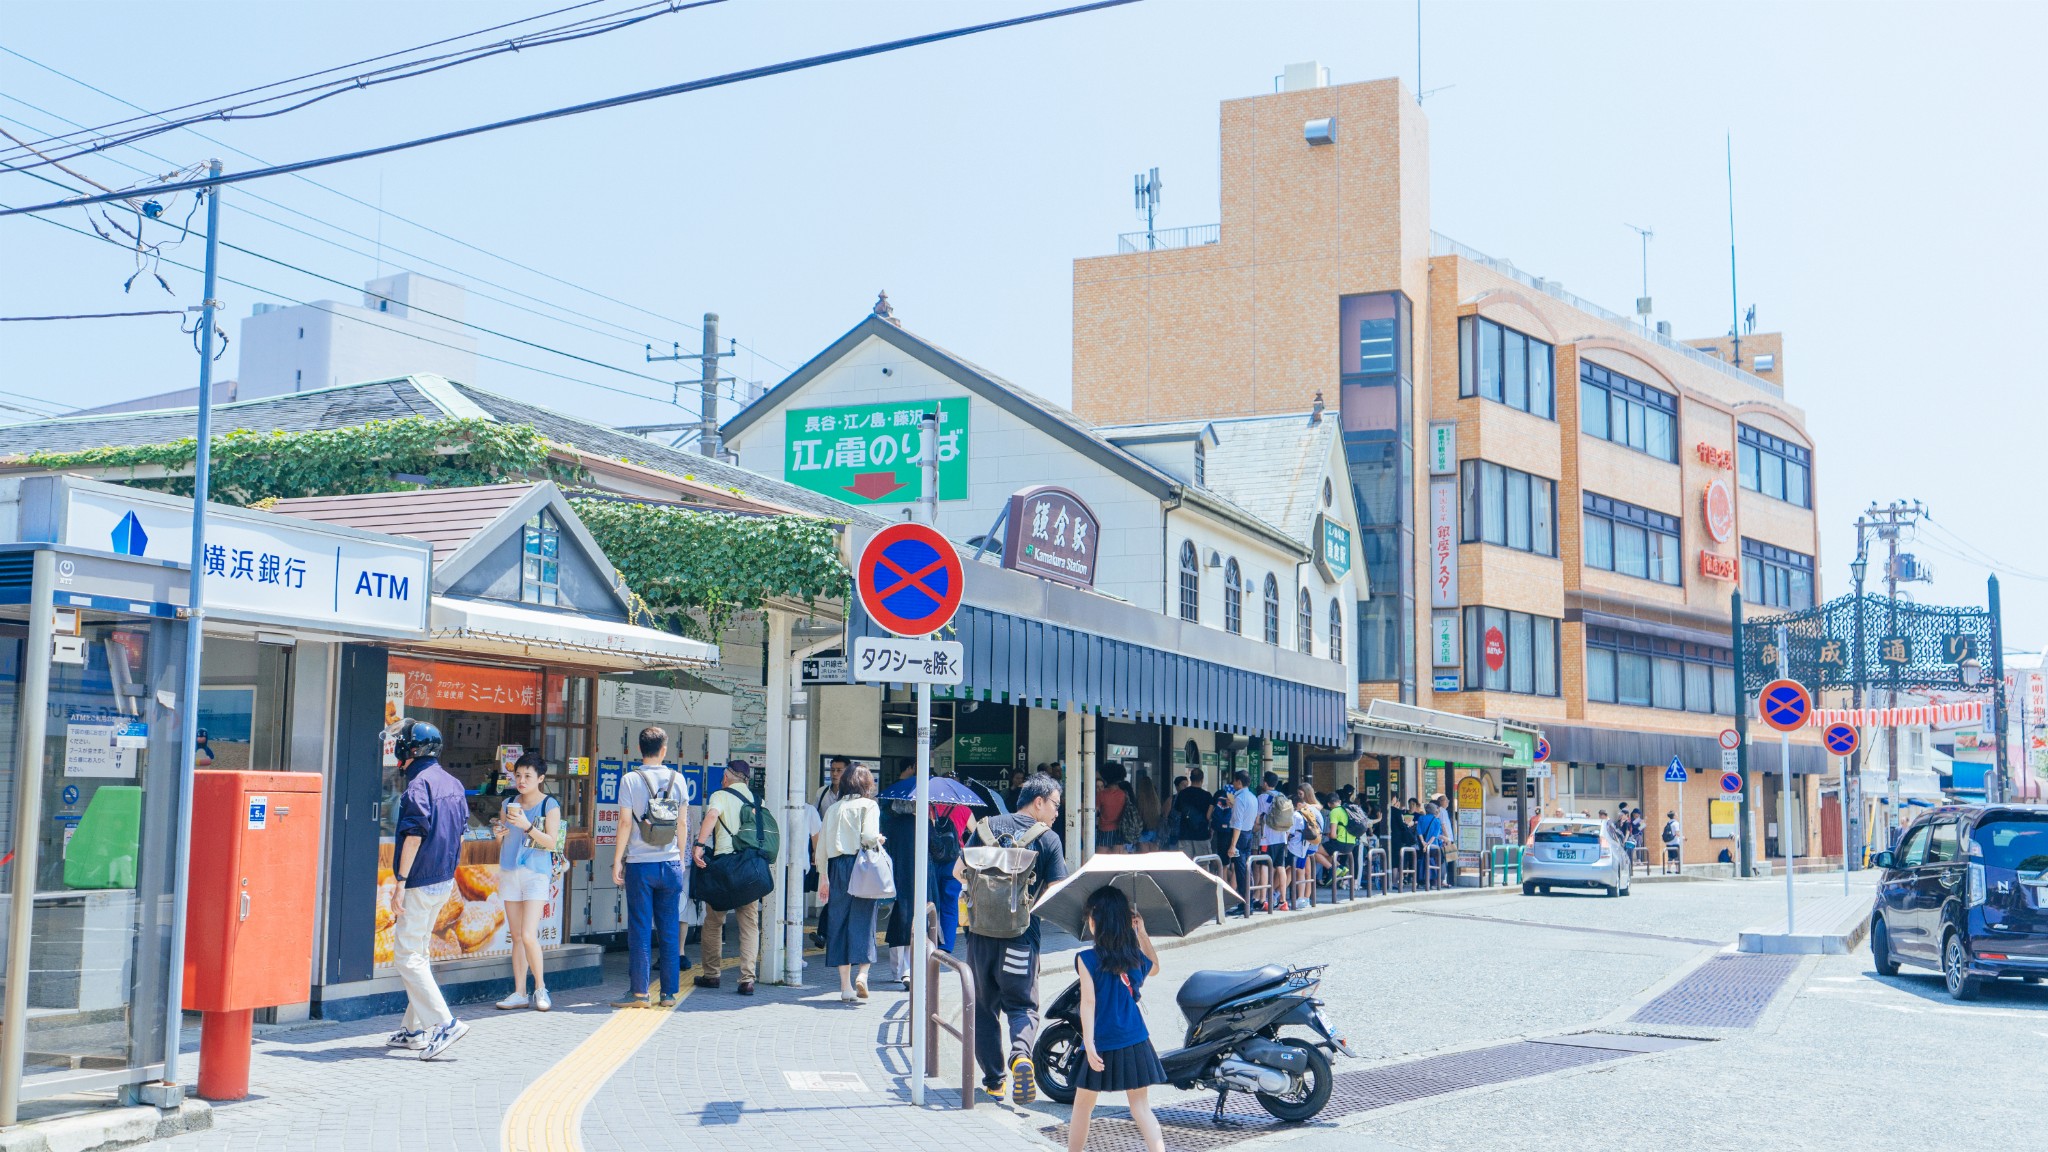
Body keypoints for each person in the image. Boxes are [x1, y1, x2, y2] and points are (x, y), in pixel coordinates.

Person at [957, 772, 1067, 1105]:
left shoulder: (985, 828)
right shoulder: (1047, 839)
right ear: (1039, 801)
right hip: (1021, 937)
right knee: (1022, 1005)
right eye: (1055, 805)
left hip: (979, 937)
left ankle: (994, 1082)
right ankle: (1021, 1056)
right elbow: (1056, 889)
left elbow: (958, 873)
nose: (1056, 813)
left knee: (984, 1008)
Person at [386, 719, 471, 1059]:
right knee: (418, 956)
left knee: (407, 957)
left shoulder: (418, 786)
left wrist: (400, 883)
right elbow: (461, 834)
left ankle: (444, 1024)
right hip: (443, 880)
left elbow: (414, 835)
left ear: (409, 750)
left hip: (420, 881)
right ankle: (412, 1030)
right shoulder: (453, 783)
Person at [1066, 885, 1166, 1152]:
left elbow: (1088, 1003)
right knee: (1141, 1108)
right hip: (1135, 1039)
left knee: (1083, 1106)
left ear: (1095, 921)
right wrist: (1142, 934)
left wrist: (1088, 1044)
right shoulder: (1133, 957)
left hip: (1101, 1041)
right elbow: (1154, 967)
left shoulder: (1086, 958)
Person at [611, 727, 687, 1010]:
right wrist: (680, 857)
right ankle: (669, 994)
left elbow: (625, 823)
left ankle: (639, 993)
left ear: (638, 749)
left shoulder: (630, 779)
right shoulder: (677, 779)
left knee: (640, 929)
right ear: (664, 750)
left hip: (640, 866)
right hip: (670, 863)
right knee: (668, 929)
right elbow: (682, 823)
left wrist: (619, 859)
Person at [492, 750, 561, 1012]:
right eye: (518, 775)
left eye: (528, 776)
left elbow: (552, 842)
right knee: (517, 936)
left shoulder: (549, 805)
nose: (521, 780)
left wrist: (527, 825)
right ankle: (519, 991)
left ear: (540, 778)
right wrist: (499, 833)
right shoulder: (508, 802)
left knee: (529, 934)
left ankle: (540, 989)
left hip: (536, 873)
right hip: (510, 871)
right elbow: (503, 838)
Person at [693, 759, 765, 996]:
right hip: (748, 868)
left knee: (714, 921)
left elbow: (712, 816)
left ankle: (712, 975)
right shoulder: (757, 800)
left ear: (727, 776)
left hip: (725, 868)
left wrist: (699, 844)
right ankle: (747, 979)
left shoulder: (720, 796)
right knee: (750, 924)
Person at [816, 762, 883, 1003]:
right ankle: (862, 975)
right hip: (862, 867)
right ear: (867, 785)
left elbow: (821, 848)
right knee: (865, 920)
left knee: (838, 923)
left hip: (837, 869)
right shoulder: (869, 806)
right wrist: (878, 839)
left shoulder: (834, 809)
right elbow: (868, 837)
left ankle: (845, 987)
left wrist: (824, 877)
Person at [809, 755, 852, 950]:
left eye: (839, 770)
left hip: (846, 851)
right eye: (832, 770)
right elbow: (816, 821)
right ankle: (826, 933)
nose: (834, 774)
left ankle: (826, 933)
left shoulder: (852, 796)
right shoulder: (822, 792)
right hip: (826, 849)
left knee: (837, 894)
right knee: (830, 893)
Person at [1225, 771, 1258, 916]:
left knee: (1241, 870)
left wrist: (1232, 845)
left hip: (1240, 835)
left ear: (1239, 782)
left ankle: (1245, 904)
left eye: (1234, 781)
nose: (1233, 784)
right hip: (1248, 833)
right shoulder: (1252, 797)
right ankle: (1247, 902)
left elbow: (1237, 822)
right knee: (1246, 868)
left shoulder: (1240, 799)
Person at [1170, 767, 1213, 858]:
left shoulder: (1182, 794)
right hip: (1202, 834)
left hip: (1185, 834)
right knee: (1203, 863)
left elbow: (1177, 810)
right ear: (1202, 779)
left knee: (1187, 865)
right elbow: (1209, 816)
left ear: (1190, 778)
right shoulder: (1207, 796)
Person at [1096, 763, 1133, 854]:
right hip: (1120, 830)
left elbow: (1095, 811)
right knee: (1117, 859)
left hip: (1104, 830)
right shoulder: (1123, 794)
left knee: (1101, 858)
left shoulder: (1102, 794)